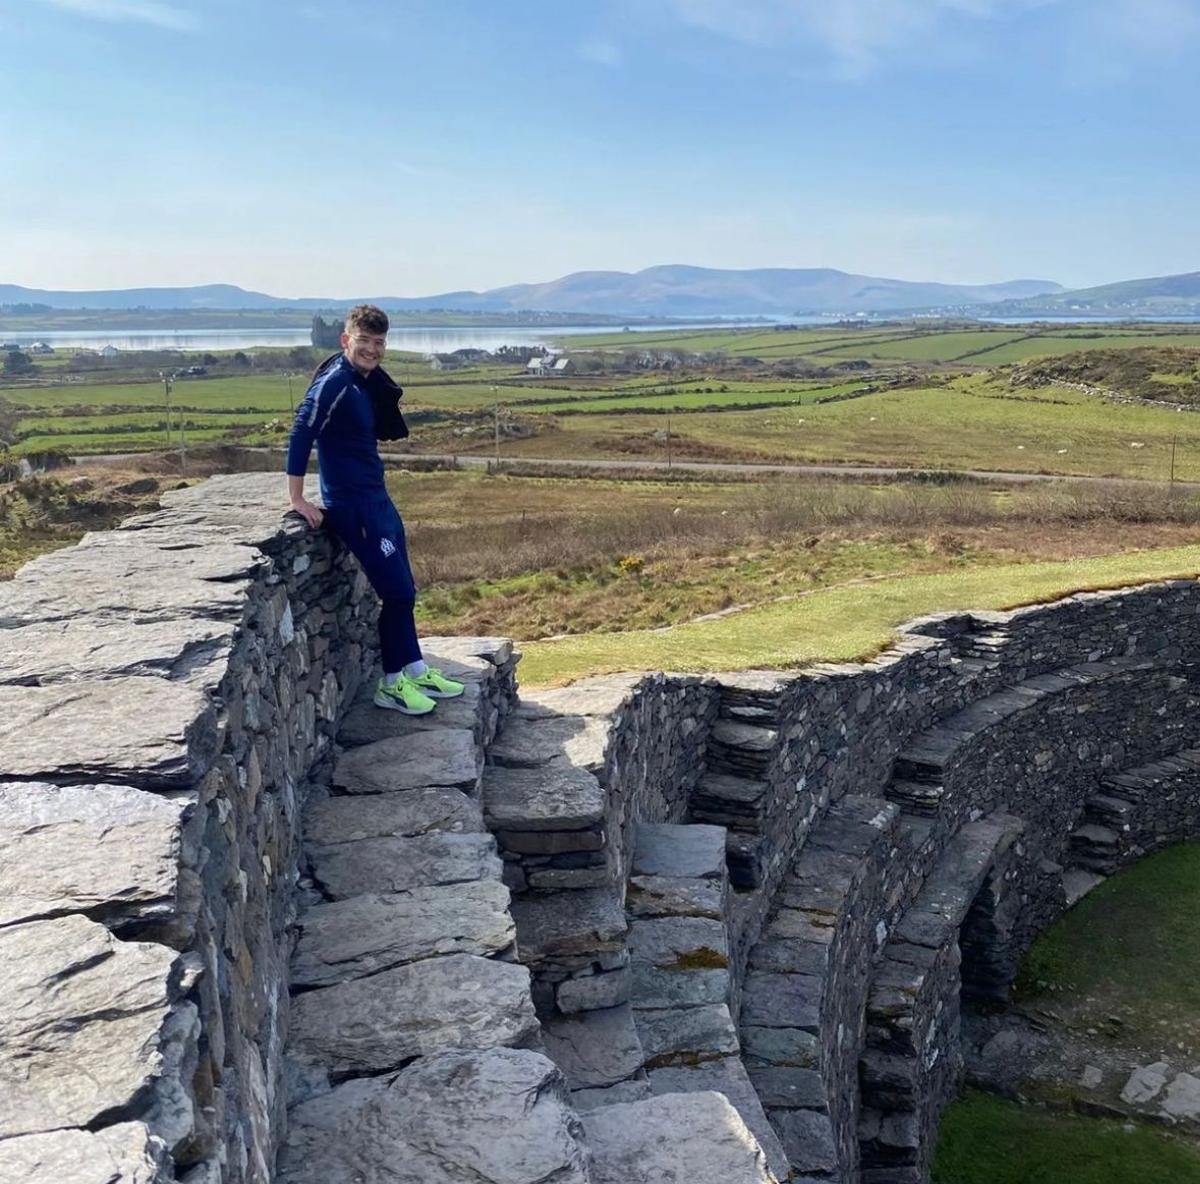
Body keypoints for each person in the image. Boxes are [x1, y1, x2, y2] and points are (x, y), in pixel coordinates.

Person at [286, 303, 464, 714]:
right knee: (396, 592)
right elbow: (301, 431)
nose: (372, 349)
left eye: (379, 342)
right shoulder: (334, 383)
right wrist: (297, 499)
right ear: (346, 340)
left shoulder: (363, 381)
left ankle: (416, 669)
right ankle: (390, 685)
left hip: (377, 499)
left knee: (408, 589)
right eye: (364, 341)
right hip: (353, 507)